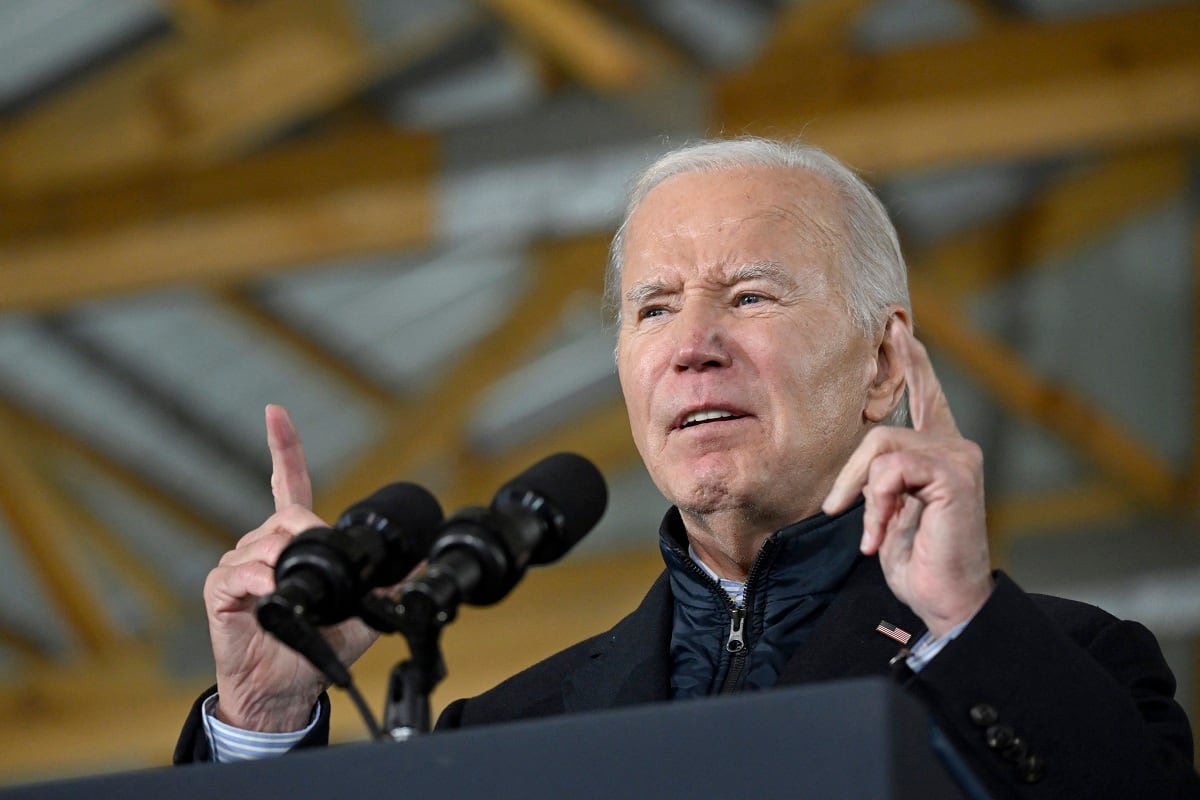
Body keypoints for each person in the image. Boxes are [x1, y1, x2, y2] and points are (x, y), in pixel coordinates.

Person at [176, 137, 1199, 797]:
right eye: (654, 306)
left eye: (750, 294)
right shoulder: (500, 732)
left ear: (885, 360)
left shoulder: (1069, 662)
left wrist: (961, 624)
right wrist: (262, 720)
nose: (691, 343)